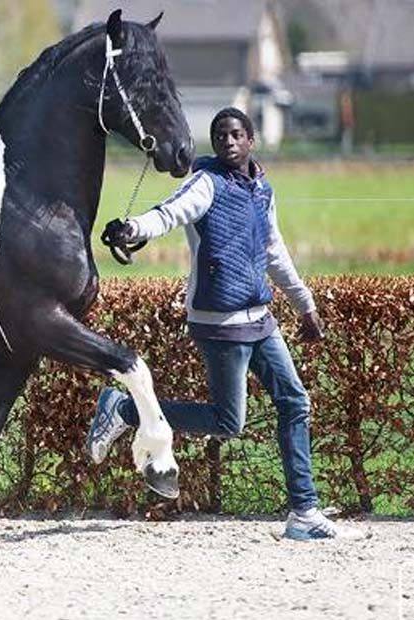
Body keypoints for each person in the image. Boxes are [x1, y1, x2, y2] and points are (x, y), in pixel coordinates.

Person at [89, 107, 362, 541]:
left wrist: (305, 306)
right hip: (220, 322)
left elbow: (274, 252)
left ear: (251, 140)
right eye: (220, 136)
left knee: (295, 403)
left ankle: (304, 513)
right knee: (227, 421)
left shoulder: (262, 190)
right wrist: (133, 227)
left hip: (261, 319)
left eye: (236, 135)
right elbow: (170, 212)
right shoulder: (206, 183)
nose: (228, 142)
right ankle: (124, 409)